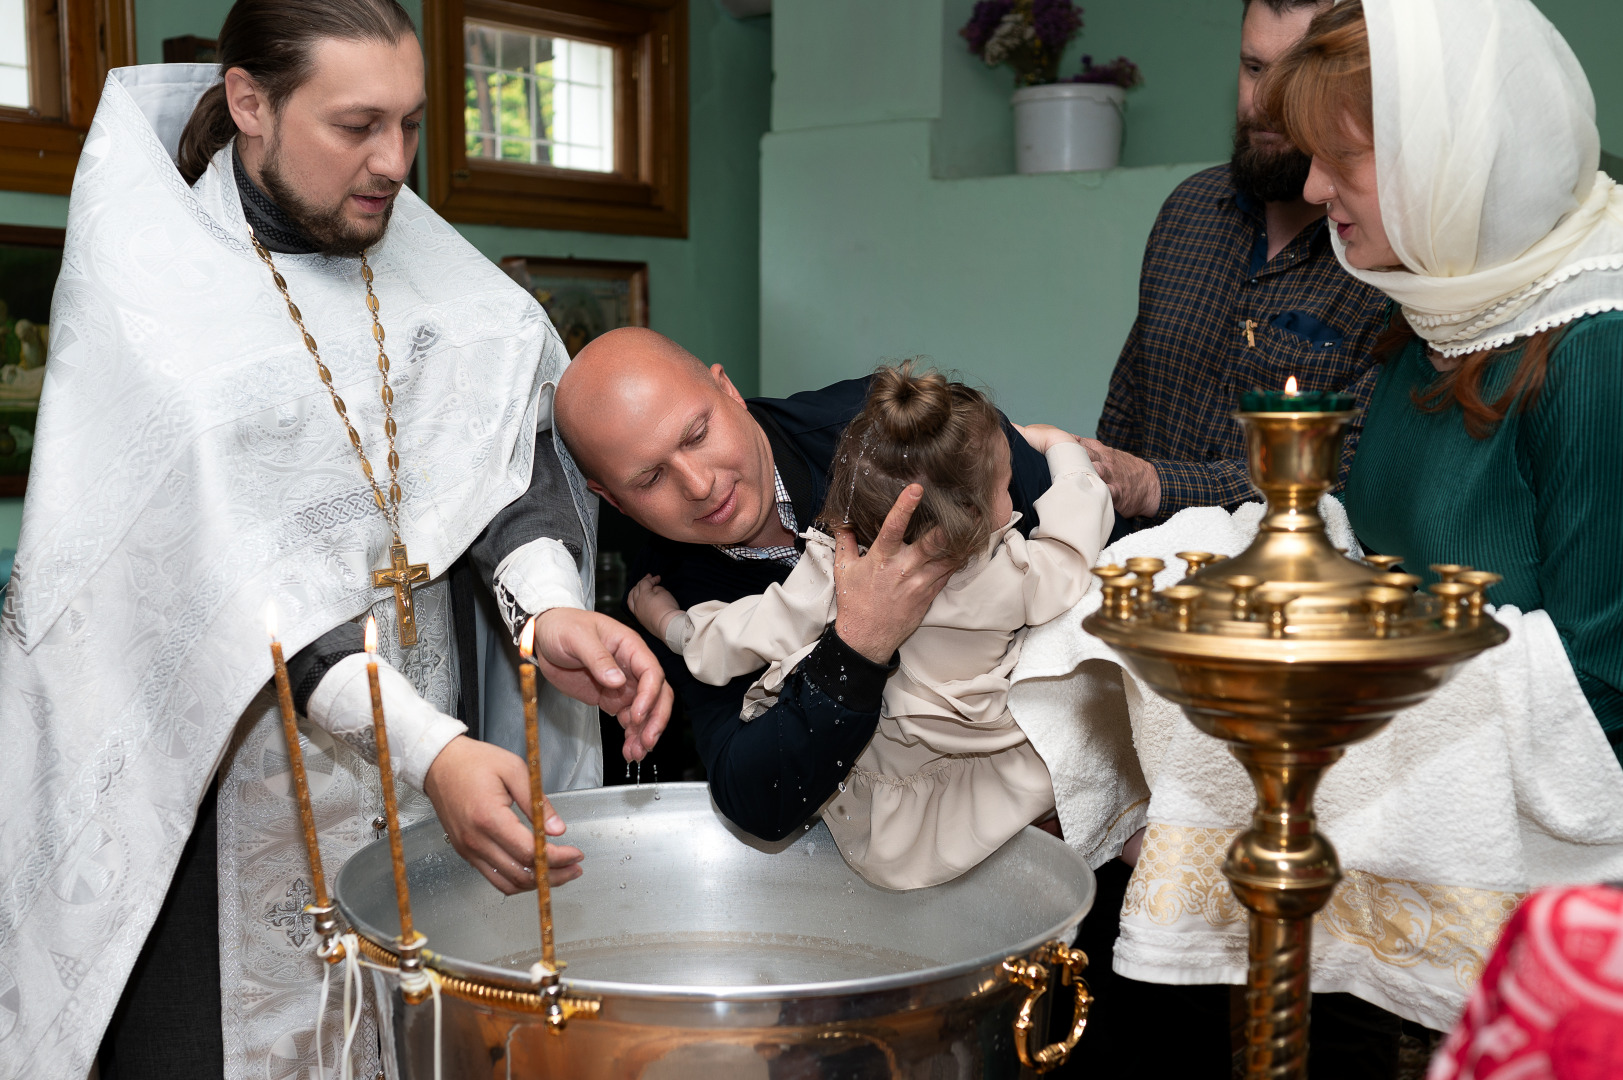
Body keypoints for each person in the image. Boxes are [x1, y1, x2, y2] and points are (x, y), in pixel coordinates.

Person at [0, 3, 670, 1077]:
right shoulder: (158, 311)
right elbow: (221, 574)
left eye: (409, 123)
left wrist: (547, 610)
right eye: (356, 125)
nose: (394, 163)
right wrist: (431, 752)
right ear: (250, 102)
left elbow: (498, 441)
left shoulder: (425, 270)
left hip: (436, 773)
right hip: (215, 807)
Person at [554, 329, 1077, 845]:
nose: (699, 484)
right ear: (613, 500)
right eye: (650, 480)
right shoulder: (667, 585)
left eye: (696, 435)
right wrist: (858, 646)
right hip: (911, 847)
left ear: (728, 389)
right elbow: (756, 799)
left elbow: (1093, 564)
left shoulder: (897, 428)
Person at [1271, 0, 1623, 760]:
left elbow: (1601, 691)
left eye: (1339, 156)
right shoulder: (1437, 310)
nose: (1311, 189)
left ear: (1452, 155)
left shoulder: (1597, 350)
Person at [1083, 0, 1387, 535]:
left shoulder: (1379, 251)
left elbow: (1355, 472)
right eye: (1253, 68)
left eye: (1295, 74)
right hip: (1138, 568)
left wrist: (1154, 484)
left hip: (1287, 582)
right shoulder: (1189, 210)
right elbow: (1126, 412)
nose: (1263, 102)